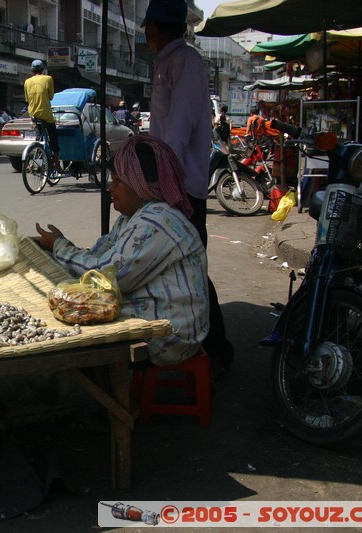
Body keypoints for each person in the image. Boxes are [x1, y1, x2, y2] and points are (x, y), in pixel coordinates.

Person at [32, 136, 208, 366]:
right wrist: (58, 249)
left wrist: (59, 247)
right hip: (151, 312)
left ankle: (106, 393)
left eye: (117, 181)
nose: (110, 188)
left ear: (140, 184)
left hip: (171, 334)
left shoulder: (158, 222)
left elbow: (106, 277)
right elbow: (98, 254)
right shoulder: (131, 218)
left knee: (71, 325)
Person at [144, 0, 234, 376]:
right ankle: (202, 345)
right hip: (172, 184)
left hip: (183, 188)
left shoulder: (185, 61)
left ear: (153, 27)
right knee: (182, 268)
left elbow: (177, 130)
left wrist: (167, 186)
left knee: (193, 269)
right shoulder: (168, 61)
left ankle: (217, 350)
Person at [24, 59, 60, 169]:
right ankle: (56, 161)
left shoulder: (27, 82)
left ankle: (38, 149)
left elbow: (27, 99)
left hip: (33, 114)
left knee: (40, 134)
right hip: (46, 114)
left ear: (32, 70)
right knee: (53, 137)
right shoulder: (48, 78)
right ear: (43, 70)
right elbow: (51, 97)